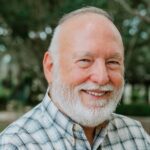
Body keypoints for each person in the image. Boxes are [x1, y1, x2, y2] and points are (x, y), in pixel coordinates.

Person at [0, 6, 150, 150]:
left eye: (113, 62)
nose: (102, 78)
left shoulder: (136, 136)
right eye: (85, 60)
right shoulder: (15, 145)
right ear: (51, 67)